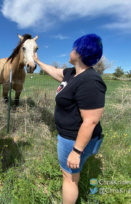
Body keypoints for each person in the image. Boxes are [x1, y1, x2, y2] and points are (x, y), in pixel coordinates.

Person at [33, 34, 106, 204]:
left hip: (74, 140)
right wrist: (38, 61)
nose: (71, 51)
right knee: (71, 175)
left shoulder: (90, 81)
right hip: (69, 137)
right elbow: (53, 71)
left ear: (80, 53)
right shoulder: (72, 74)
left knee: (69, 178)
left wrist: (76, 151)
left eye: (73, 48)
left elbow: (91, 121)